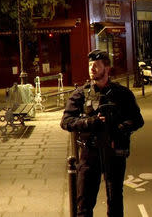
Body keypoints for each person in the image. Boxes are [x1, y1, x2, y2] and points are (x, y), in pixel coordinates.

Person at [61, 50, 144, 217]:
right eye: (90, 65)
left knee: (115, 202)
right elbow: (66, 121)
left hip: (114, 152)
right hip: (89, 153)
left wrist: (120, 129)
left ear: (107, 68)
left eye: (96, 65)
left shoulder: (122, 94)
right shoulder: (81, 94)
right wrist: (88, 122)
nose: (92, 68)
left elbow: (137, 120)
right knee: (84, 203)